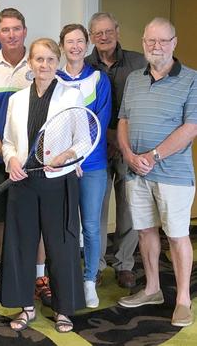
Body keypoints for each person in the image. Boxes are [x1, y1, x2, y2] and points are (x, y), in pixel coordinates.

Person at [0, 38, 85, 333]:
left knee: (61, 246)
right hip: (23, 182)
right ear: (30, 63)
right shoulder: (17, 100)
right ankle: (26, 307)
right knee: (21, 245)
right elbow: (9, 142)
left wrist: (65, 157)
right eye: (38, 59)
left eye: (49, 59)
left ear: (57, 63)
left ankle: (63, 310)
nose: (44, 65)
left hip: (58, 181)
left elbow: (83, 141)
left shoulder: (71, 97)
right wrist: (10, 160)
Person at [116, 17, 196, 328]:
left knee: (177, 235)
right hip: (136, 171)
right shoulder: (135, 79)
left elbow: (191, 128)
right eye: (150, 41)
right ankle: (152, 289)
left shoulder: (192, 79)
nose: (156, 46)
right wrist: (127, 154)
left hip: (172, 174)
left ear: (174, 43)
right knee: (145, 230)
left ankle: (183, 300)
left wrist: (153, 155)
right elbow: (123, 119)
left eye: (163, 41)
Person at [0, 8, 50, 306]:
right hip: (0, 158)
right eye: (6, 30)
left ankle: (40, 277)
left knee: (39, 218)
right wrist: (4, 151)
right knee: (2, 219)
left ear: (25, 31)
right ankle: (4, 275)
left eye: (17, 29)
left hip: (38, 161)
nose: (11, 34)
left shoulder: (40, 64)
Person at [85, 12, 146, 289]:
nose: (104, 37)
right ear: (91, 36)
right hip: (95, 150)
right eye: (98, 33)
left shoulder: (137, 62)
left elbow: (145, 105)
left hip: (129, 148)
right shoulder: (84, 66)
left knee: (128, 209)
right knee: (94, 210)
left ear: (117, 31)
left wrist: (123, 143)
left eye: (108, 31)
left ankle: (124, 264)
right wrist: (107, 140)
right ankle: (94, 265)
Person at [56, 24, 111, 308]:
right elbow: (53, 125)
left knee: (90, 226)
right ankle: (67, 281)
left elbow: (99, 123)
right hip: (62, 165)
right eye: (69, 41)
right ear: (62, 45)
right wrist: (68, 158)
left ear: (87, 45)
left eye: (80, 41)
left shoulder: (99, 79)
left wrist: (79, 156)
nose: (75, 46)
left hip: (93, 165)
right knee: (64, 226)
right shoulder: (54, 78)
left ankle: (89, 280)